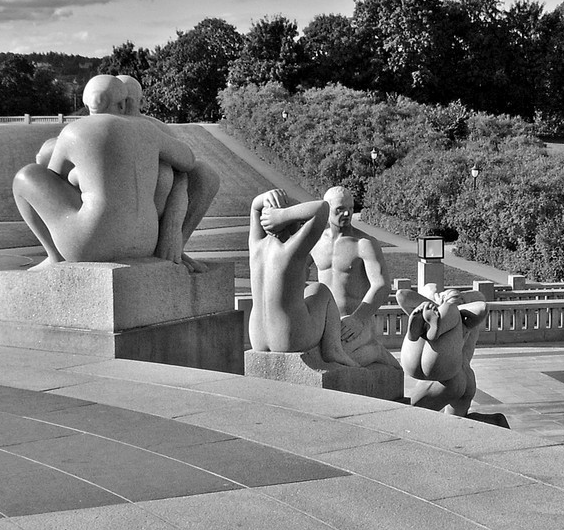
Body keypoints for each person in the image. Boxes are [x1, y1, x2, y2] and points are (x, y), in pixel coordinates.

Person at [12, 100, 197, 269]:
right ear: (123, 104)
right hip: (146, 241)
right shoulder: (150, 131)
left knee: (26, 176)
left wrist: (78, 173)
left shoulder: (76, 130)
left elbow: (53, 177)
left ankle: (55, 256)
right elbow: (188, 161)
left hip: (89, 243)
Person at [117, 75, 220, 273]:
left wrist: (173, 225)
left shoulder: (154, 128)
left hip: (155, 213)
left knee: (204, 174)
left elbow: (185, 165)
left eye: (129, 102)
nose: (123, 109)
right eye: (118, 103)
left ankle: (175, 249)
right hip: (114, 218)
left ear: (141, 102)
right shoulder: (96, 131)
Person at [247, 188, 358, 366]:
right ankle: (333, 350)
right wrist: (282, 215)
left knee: (306, 291)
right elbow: (322, 208)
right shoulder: (291, 249)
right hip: (288, 337)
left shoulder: (256, 246)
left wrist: (264, 198)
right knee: (320, 290)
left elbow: (254, 207)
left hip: (257, 337)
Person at [310, 186, 401, 369]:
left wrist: (358, 319)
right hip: (326, 321)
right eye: (340, 209)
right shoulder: (315, 242)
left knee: (335, 360)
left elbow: (382, 285)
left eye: (351, 208)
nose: (347, 213)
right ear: (327, 210)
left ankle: (375, 351)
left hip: (355, 321)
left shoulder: (364, 243)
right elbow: (297, 274)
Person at [396, 284, 489, 415]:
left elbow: (402, 296)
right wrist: (443, 308)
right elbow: (402, 295)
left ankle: (437, 327)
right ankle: (498, 421)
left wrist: (447, 306)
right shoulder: (468, 322)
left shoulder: (462, 320)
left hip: (447, 379)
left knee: (408, 416)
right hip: (465, 379)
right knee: (456, 425)